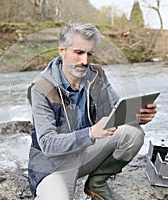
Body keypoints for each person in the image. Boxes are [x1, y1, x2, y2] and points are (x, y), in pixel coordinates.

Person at [27, 22, 157, 200]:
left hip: (86, 152)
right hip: (53, 165)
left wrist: (138, 117)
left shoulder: (97, 74)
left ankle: (97, 183)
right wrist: (90, 133)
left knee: (133, 134)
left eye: (90, 53)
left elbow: (116, 111)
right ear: (62, 51)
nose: (85, 61)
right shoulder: (40, 88)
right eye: (78, 52)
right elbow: (48, 144)